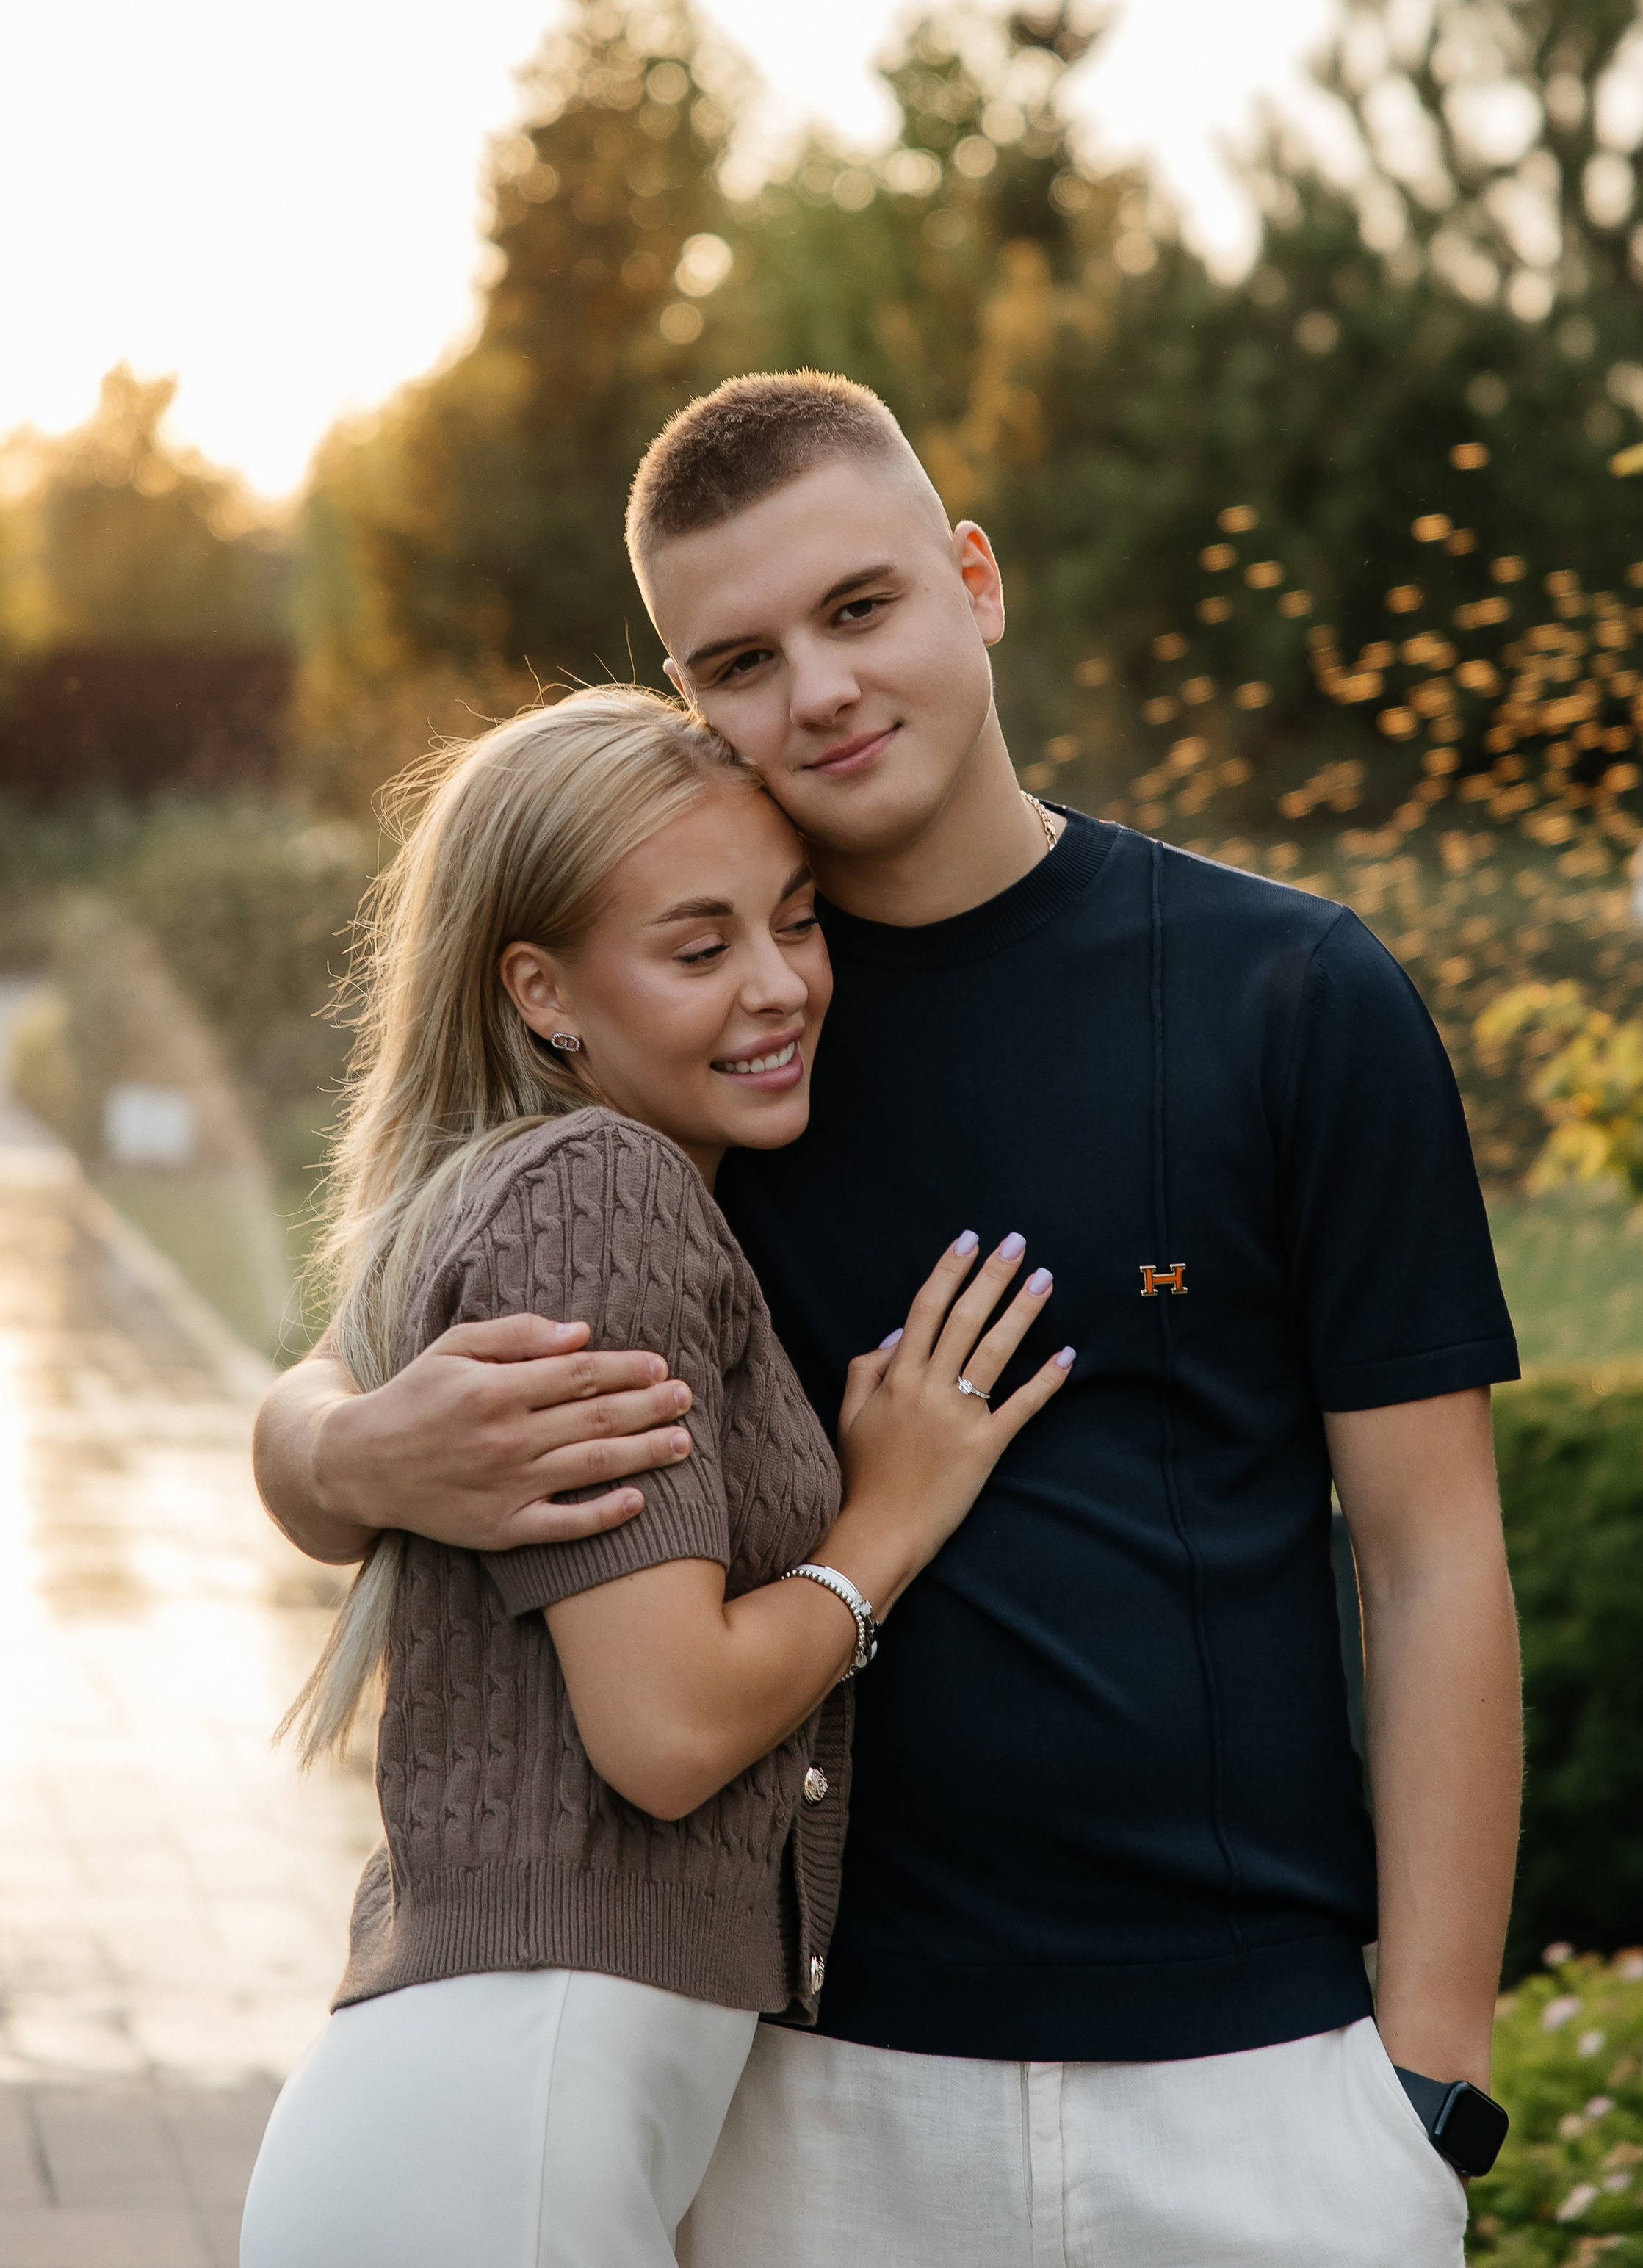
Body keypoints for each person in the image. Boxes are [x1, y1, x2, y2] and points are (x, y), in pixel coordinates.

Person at [254, 374, 1525, 2267]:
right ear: (695, 703)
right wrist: (339, 1445)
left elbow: (1431, 1559)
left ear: (972, 582)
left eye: (860, 610)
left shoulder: (1291, 997)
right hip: (802, 2098)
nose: (819, 691)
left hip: (1252, 2087)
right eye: (740, 662)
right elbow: (370, 1342)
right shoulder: (703, 1047)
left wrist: (1423, 2080)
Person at [239, 686, 1069, 2268]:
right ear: (543, 992)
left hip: (507, 2114)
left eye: (796, 921)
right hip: (510, 2120)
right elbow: (668, 1730)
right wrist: (883, 1520)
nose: (777, 987)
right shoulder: (603, 1186)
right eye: (697, 951)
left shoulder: (560, 1189)